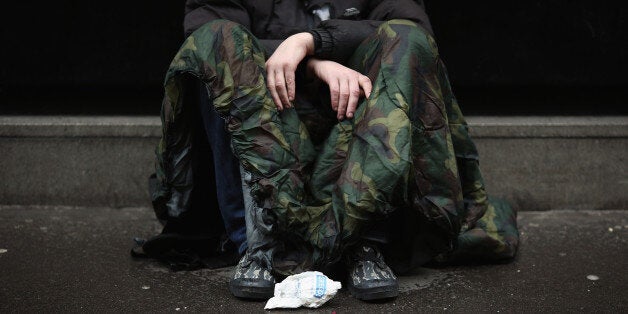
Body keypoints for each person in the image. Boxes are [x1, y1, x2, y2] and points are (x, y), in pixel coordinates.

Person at [150, 0, 520, 302]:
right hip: (269, 118)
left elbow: (412, 24)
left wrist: (312, 40)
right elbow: (206, 30)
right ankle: (258, 245)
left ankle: (364, 241)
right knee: (215, 42)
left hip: (357, 113)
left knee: (407, 41)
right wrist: (313, 61)